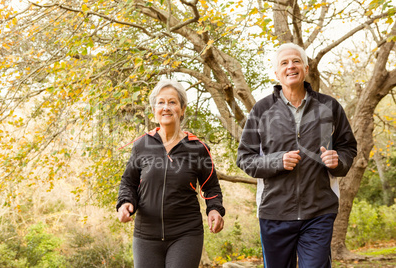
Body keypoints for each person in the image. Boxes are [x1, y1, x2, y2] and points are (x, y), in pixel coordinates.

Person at [237, 43, 357, 268]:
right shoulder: (261, 110)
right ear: (276, 73)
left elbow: (348, 147)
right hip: (275, 212)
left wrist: (338, 161)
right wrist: (277, 161)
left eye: (296, 61)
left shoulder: (329, 106)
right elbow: (245, 158)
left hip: (319, 211)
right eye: (284, 63)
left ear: (306, 68)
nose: (290, 66)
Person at [116, 79, 225, 268]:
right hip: (146, 234)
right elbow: (128, 183)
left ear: (182, 109)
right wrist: (125, 203)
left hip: (186, 234)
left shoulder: (198, 148)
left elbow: (211, 187)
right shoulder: (142, 145)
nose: (166, 107)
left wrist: (214, 209)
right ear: (154, 110)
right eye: (161, 102)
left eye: (172, 102)